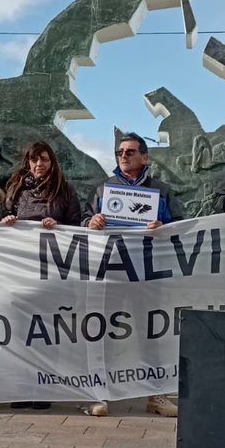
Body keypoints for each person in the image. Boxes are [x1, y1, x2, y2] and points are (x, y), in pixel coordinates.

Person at [83, 132, 184, 418]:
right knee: (105, 332)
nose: (123, 156)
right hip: (112, 271)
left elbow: (183, 223)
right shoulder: (104, 188)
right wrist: (91, 221)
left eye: (130, 152)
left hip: (148, 272)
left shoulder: (162, 190)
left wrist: (163, 225)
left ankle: (156, 395)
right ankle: (99, 393)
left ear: (145, 157)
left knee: (150, 332)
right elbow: (82, 220)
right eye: (120, 152)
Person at [1, 140, 82, 410]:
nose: (39, 164)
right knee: (21, 329)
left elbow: (77, 226)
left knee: (47, 332)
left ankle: (44, 388)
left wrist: (58, 226)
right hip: (21, 271)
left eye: (45, 159)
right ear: (28, 162)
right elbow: (3, 218)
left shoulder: (65, 191)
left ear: (52, 162)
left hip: (52, 272)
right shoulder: (15, 188)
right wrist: (8, 222)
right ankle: (22, 388)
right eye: (34, 159)